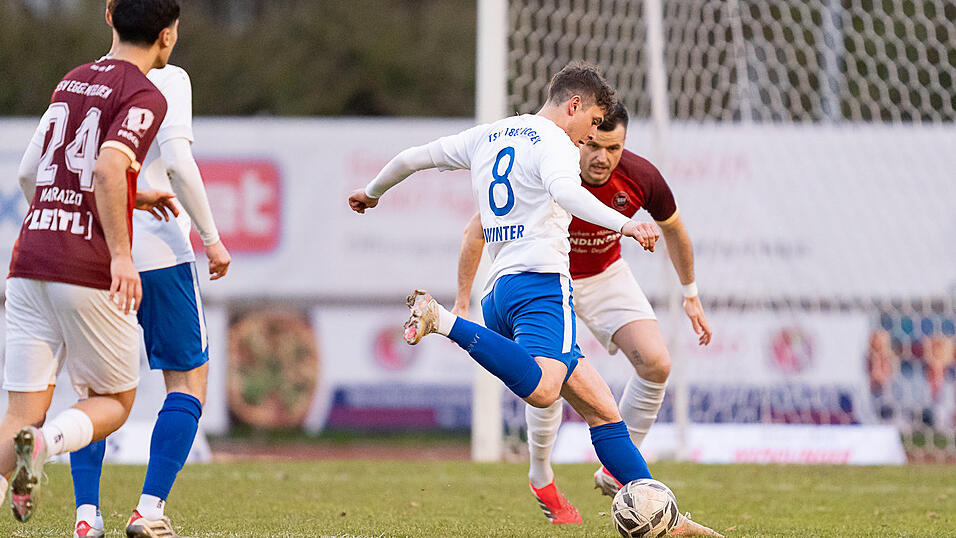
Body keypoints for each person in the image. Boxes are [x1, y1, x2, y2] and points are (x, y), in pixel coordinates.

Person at [348, 63, 721, 537]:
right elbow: (567, 191)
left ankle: (669, 520)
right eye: (591, 125)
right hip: (541, 282)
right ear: (574, 106)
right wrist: (624, 223)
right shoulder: (555, 144)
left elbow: (414, 156)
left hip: (498, 291)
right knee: (545, 390)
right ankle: (441, 320)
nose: (590, 137)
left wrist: (373, 192)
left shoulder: (490, 134)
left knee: (603, 411)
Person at [451, 103, 712, 523]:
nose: (602, 157)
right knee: (547, 381)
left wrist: (691, 293)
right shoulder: (550, 160)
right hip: (545, 283)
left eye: (614, 148)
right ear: (580, 136)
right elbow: (475, 229)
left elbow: (675, 230)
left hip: (606, 275)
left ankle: (618, 472)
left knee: (658, 363)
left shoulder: (642, 177)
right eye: (593, 145)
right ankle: (541, 473)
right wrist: (462, 300)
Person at [0, 0, 181, 525]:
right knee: (113, 401)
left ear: (109, 16)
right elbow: (105, 168)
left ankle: (31, 442)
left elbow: (30, 174)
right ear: (167, 37)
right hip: (85, 266)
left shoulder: (72, 79)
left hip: (31, 257)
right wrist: (121, 255)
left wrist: (124, 196)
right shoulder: (144, 92)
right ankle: (49, 443)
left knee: (17, 415)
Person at [64, 2, 232, 537]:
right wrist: (211, 238)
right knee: (186, 380)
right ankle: (149, 510)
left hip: (98, 249)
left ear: (108, 14)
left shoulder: (85, 81)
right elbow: (178, 164)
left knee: (95, 393)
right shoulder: (168, 78)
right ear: (166, 32)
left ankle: (87, 517)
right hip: (159, 254)